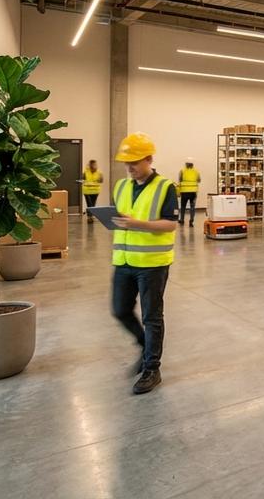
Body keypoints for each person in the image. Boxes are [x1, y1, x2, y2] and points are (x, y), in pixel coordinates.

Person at [111, 133, 179, 395]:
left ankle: (152, 368)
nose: (129, 168)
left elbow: (171, 223)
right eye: (126, 163)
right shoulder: (121, 186)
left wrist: (137, 224)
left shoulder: (165, 187)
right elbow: (121, 217)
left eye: (135, 162)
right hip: (124, 260)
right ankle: (144, 344)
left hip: (153, 263)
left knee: (152, 316)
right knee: (120, 310)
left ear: (149, 159)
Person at [177, 158, 201, 228]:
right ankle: (191, 221)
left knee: (183, 206)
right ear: (192, 164)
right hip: (193, 192)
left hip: (184, 192)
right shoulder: (196, 171)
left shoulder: (182, 171)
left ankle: (182, 220)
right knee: (192, 207)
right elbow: (199, 180)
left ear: (186, 164)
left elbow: (180, 179)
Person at [81, 159, 104, 223]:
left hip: (95, 191)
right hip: (87, 191)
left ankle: (91, 216)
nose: (93, 165)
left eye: (94, 164)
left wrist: (99, 179)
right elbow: (82, 179)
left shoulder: (99, 173)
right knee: (89, 204)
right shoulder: (85, 172)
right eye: (92, 164)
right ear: (90, 165)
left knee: (93, 204)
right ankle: (89, 217)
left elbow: (101, 181)